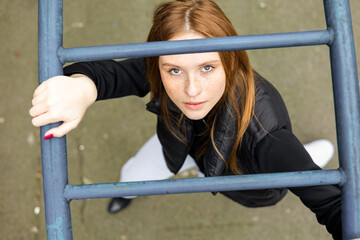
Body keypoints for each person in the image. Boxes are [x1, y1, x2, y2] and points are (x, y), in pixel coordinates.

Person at [29, 0, 341, 239]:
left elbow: (333, 206)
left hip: (242, 172)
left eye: (207, 67)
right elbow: (117, 74)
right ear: (160, 64)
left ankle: (310, 155)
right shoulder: (162, 65)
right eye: (175, 70)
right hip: (180, 144)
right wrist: (83, 87)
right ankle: (126, 193)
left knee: (297, 165)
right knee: (134, 173)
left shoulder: (266, 135)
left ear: (231, 61)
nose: (191, 90)